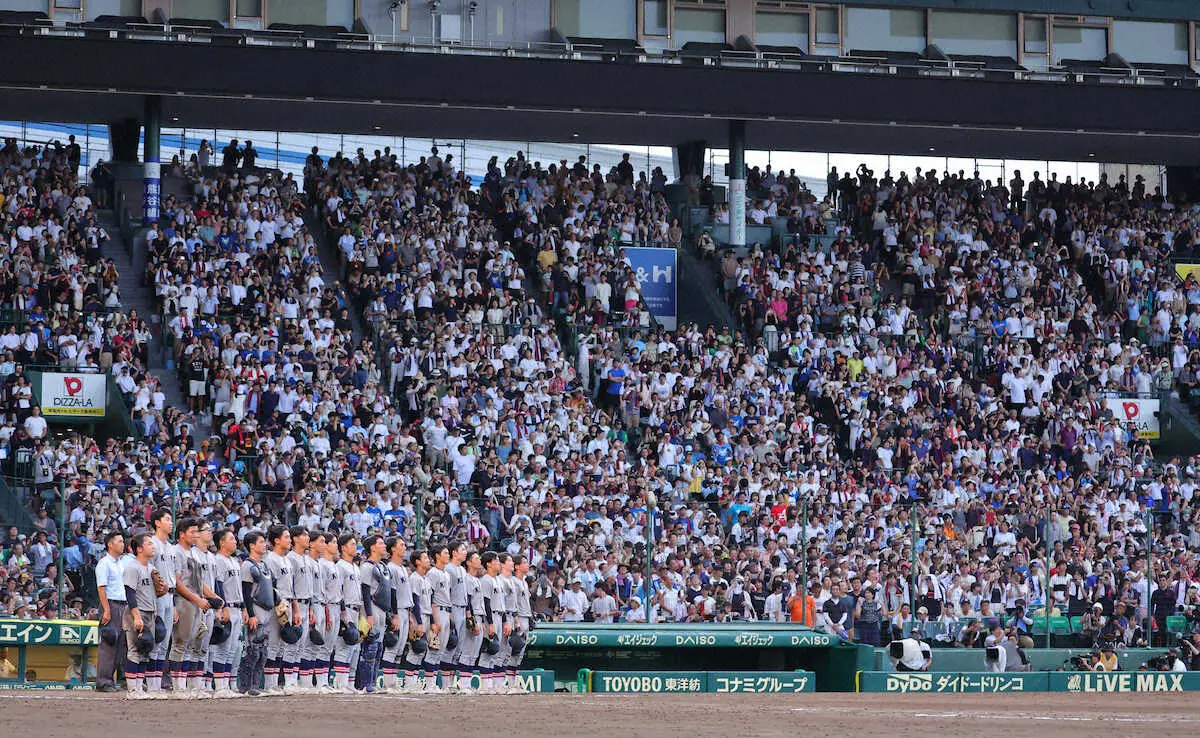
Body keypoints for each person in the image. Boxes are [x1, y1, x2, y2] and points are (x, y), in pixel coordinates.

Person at [121, 533, 157, 700]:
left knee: (146, 650)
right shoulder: (132, 567)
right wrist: (136, 616)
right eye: (149, 543)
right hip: (137, 612)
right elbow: (130, 592)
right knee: (135, 650)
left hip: (150, 611)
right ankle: (132, 690)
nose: (153, 546)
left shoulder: (151, 568)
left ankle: (139, 688)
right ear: (140, 549)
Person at [238, 531, 274, 697]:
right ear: (252, 545)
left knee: (263, 653)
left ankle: (256, 684)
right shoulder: (248, 565)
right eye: (260, 542)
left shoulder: (264, 565)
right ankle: (246, 686)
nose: (264, 544)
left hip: (267, 613)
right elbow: (246, 593)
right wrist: (251, 614)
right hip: (256, 612)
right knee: (253, 651)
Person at [146, 508, 177, 697]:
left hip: (170, 595)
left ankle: (156, 685)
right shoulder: (153, 544)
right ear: (157, 522)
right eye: (167, 519)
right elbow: (149, 573)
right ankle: (151, 685)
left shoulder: (170, 547)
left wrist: (173, 605)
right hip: (156, 597)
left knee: (164, 644)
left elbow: (172, 575)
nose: (170, 522)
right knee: (156, 641)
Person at [210, 529, 243, 698]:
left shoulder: (235, 561)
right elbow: (218, 586)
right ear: (221, 542)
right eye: (231, 539)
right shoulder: (219, 561)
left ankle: (227, 684)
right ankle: (220, 686)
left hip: (237, 607)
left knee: (232, 649)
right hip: (227, 607)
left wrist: (244, 608)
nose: (235, 541)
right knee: (222, 648)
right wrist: (222, 608)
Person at [261, 525, 293, 695]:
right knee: (272, 644)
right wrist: (278, 605)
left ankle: (275, 683)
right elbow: (269, 586)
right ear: (277, 540)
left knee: (282, 645)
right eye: (286, 537)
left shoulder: (287, 560)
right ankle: (269, 684)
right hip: (275, 606)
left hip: (286, 604)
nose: (290, 540)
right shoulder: (270, 559)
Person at [355, 534, 389, 693]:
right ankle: (364, 683)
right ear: (373, 548)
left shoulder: (382, 566)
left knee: (379, 648)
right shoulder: (367, 566)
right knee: (371, 647)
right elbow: (365, 591)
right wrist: (368, 615)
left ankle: (372, 682)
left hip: (382, 609)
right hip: (372, 609)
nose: (384, 545)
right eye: (381, 543)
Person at [94, 530, 127, 693]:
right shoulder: (104, 563)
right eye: (119, 541)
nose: (123, 543)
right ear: (110, 544)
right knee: (109, 644)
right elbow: (101, 588)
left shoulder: (121, 563)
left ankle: (118, 680)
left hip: (123, 605)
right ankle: (103, 681)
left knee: (122, 645)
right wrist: (106, 610)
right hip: (111, 605)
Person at [331, 533, 362, 693]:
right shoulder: (340, 566)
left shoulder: (355, 567)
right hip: (346, 609)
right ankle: (341, 683)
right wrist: (344, 614)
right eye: (351, 544)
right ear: (343, 547)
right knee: (345, 646)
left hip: (356, 608)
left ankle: (350, 683)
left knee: (355, 648)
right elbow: (339, 591)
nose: (354, 546)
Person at [381, 536, 411, 694]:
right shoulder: (391, 567)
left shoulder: (403, 568)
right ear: (393, 549)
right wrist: (394, 615)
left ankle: (392, 683)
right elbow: (391, 593)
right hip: (397, 611)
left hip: (406, 610)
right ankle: (387, 683)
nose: (404, 547)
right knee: (392, 647)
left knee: (399, 650)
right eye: (401, 545)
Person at [285, 527, 313, 693]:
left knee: (301, 646)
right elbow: (291, 586)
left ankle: (295, 681)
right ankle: (289, 682)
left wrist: (309, 609)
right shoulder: (291, 558)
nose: (307, 537)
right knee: (292, 645)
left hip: (306, 603)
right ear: (295, 539)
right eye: (304, 535)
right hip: (294, 605)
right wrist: (295, 608)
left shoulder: (306, 559)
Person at [424, 543, 452, 693]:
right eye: (445, 553)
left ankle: (434, 683)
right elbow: (430, 598)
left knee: (440, 650)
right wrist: (434, 621)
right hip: (438, 612)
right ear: (437, 556)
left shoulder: (446, 574)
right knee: (433, 648)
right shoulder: (433, 573)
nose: (448, 555)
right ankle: (430, 685)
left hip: (446, 612)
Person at [444, 541, 470, 692]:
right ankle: (446, 683)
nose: (465, 552)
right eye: (462, 549)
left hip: (462, 608)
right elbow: (447, 593)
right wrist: (450, 615)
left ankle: (452, 682)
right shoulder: (449, 569)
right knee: (450, 646)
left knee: (458, 649)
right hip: (452, 608)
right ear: (454, 552)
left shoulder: (461, 569)